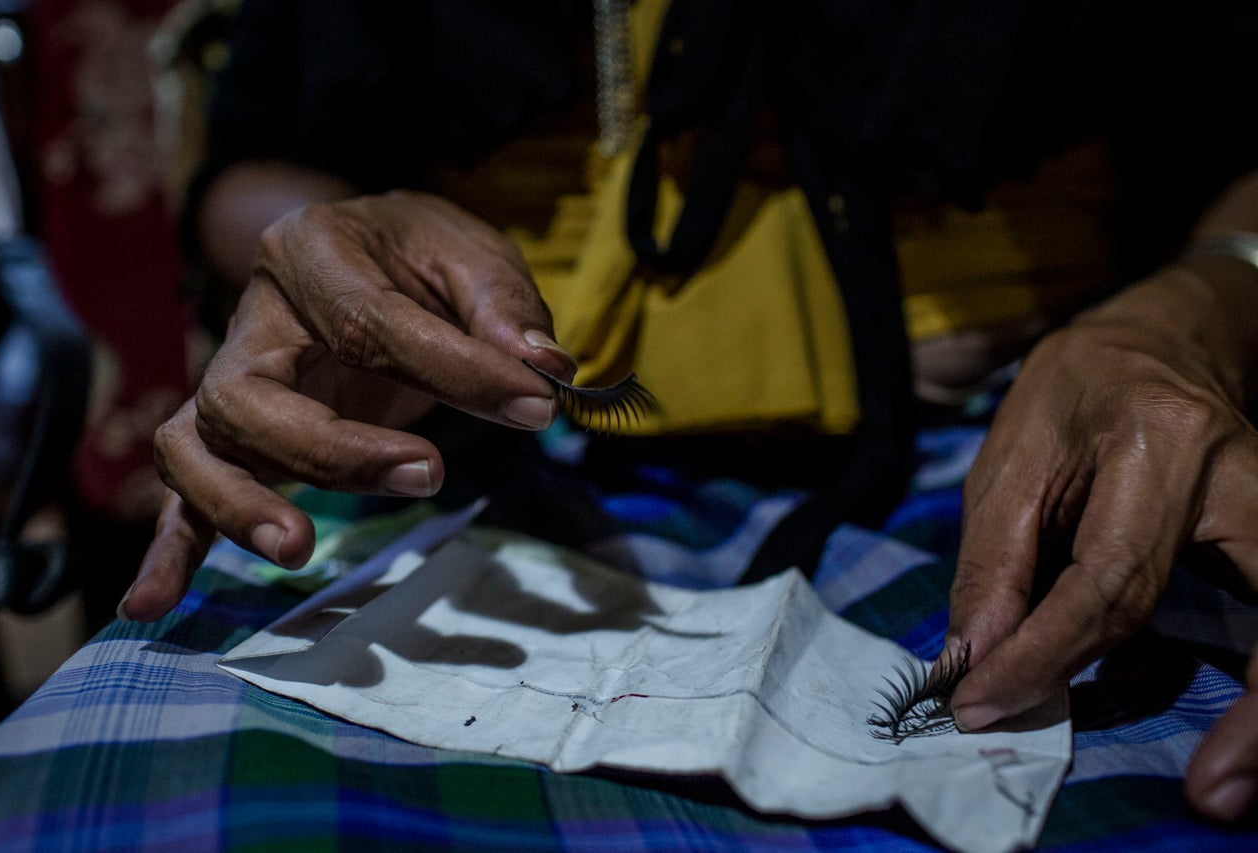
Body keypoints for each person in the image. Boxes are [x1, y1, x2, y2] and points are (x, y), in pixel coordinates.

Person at [121, 0, 1258, 825]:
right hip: (471, 438)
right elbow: (257, 154)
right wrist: (347, 269)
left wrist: (1187, 310)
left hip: (1026, 440)